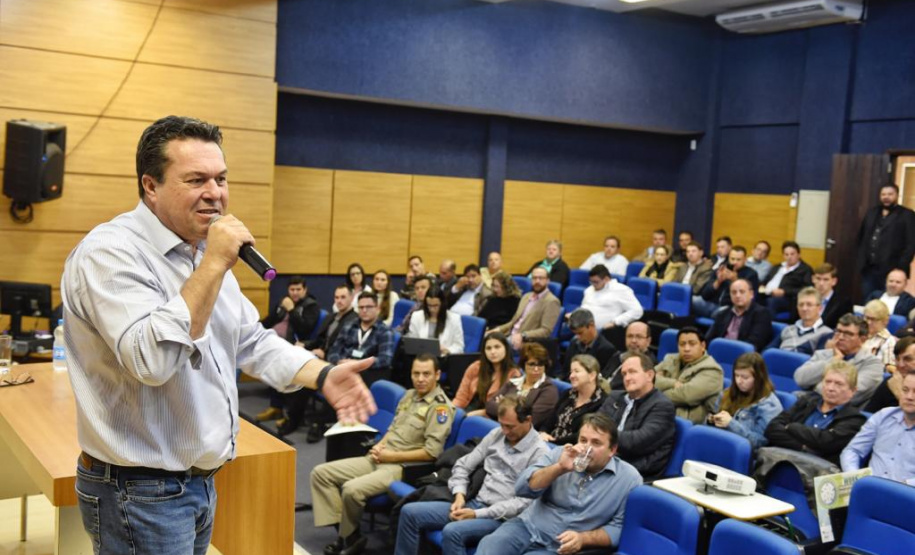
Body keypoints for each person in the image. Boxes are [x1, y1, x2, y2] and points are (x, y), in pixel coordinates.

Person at [62, 116, 376, 554]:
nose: (215, 193)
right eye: (196, 180)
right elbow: (151, 362)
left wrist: (321, 375)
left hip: (198, 484)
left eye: (221, 178)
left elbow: (251, 340)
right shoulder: (111, 253)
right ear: (150, 186)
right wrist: (213, 265)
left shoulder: (203, 251)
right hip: (138, 490)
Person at [312, 354, 454, 555]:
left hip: (401, 467)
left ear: (437, 375)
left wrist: (391, 457)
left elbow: (432, 453)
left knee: (352, 490)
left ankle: (345, 538)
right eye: (416, 373)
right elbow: (393, 429)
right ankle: (349, 535)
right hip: (380, 456)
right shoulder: (409, 395)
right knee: (321, 473)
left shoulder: (440, 408)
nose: (420, 379)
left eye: (426, 374)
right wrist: (380, 446)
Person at [394, 396, 551, 555]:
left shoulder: (539, 452)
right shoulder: (496, 434)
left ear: (528, 420)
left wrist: (476, 514)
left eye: (510, 427)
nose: (505, 431)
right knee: (409, 512)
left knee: (452, 532)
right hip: (474, 503)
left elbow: (523, 502)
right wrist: (459, 495)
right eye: (502, 425)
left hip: (502, 518)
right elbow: (463, 465)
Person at [475, 414, 642, 555]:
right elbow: (522, 488)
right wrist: (559, 468)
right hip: (527, 526)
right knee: (490, 545)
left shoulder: (629, 479)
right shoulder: (560, 454)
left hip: (561, 547)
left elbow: (619, 528)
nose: (587, 448)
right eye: (583, 440)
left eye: (596, 443)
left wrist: (583, 539)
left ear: (612, 450)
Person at [279, 285, 360, 438]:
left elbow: (346, 348)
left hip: (336, 362)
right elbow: (319, 340)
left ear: (351, 298)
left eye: (343, 297)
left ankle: (317, 424)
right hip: (320, 356)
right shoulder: (332, 316)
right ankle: (293, 418)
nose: (339, 301)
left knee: (313, 379)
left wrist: (325, 354)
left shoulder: (355, 320)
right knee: (300, 372)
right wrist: (305, 345)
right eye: (337, 297)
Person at [765, 361, 866, 466]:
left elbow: (826, 443)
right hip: (778, 460)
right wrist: (803, 447)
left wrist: (792, 427)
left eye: (839, 384)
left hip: (815, 470)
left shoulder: (855, 419)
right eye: (827, 382)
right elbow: (772, 428)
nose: (830, 388)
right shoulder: (807, 401)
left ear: (853, 391)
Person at [599, 351, 675, 480]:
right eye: (624, 374)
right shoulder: (615, 397)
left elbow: (636, 442)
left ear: (649, 375)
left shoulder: (662, 406)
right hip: (605, 461)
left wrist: (600, 436)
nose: (627, 378)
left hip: (634, 471)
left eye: (632, 372)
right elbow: (593, 424)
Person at [255, 276, 322, 422]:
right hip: (274, 341)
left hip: (294, 344)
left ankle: (281, 409)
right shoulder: (283, 302)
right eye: (292, 289)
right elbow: (269, 321)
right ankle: (276, 407)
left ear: (305, 290)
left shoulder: (311, 306)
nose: (295, 293)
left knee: (277, 360)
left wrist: (291, 310)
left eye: (298, 289)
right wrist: (255, 328)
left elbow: (304, 329)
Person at [794, 314, 884, 408]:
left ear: (863, 339)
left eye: (848, 334)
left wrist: (815, 385)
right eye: (838, 331)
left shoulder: (872, 364)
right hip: (810, 403)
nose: (840, 337)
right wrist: (833, 360)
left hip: (841, 412)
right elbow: (800, 379)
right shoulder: (824, 354)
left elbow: (849, 393)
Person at [841, 372, 915, 485]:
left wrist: (904, 487)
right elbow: (853, 450)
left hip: (907, 493)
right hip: (870, 488)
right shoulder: (883, 416)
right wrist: (854, 477)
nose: (909, 397)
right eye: (905, 390)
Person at [707, 353, 782, 451]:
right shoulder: (727, 393)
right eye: (736, 375)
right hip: (718, 444)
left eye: (745, 377)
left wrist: (731, 424)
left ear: (758, 378)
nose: (739, 381)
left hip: (742, 452)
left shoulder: (769, 405)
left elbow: (761, 442)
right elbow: (710, 423)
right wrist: (711, 420)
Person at [654, 327, 724, 424]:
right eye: (682, 344)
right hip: (659, 412)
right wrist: (672, 383)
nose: (686, 349)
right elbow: (647, 379)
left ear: (703, 346)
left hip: (685, 423)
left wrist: (654, 393)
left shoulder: (713, 370)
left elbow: (686, 396)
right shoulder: (670, 359)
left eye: (692, 344)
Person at [857, 183, 915, 298]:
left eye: (890, 194)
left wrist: (900, 268)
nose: (886, 197)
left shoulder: (907, 215)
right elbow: (862, 237)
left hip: (892, 270)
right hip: (869, 269)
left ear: (897, 195)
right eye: (883, 194)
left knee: (888, 301)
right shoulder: (872, 212)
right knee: (869, 300)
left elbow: (911, 244)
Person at [328, 292, 396, 385]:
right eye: (361, 307)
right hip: (344, 369)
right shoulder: (349, 326)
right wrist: (339, 361)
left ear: (378, 309)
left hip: (367, 374)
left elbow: (385, 360)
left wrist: (358, 364)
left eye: (369, 307)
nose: (364, 310)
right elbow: (333, 351)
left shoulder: (385, 331)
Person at [486, 343, 559, 430]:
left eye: (540, 364)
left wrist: (502, 404)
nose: (536, 369)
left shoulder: (549, 390)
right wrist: (514, 411)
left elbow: (531, 419)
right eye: (532, 364)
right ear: (524, 364)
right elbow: (489, 405)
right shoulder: (513, 382)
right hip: (499, 425)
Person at [489, 267, 561, 352]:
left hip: (526, 342)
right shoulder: (526, 296)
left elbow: (545, 331)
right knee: (486, 338)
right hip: (509, 335)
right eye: (534, 278)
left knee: (492, 347)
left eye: (541, 278)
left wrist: (523, 335)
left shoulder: (552, 301)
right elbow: (513, 322)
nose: (537, 281)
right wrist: (497, 329)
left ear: (548, 281)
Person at [540, 355, 605, 445]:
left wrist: (553, 442)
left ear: (592, 376)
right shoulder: (568, 394)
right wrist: (543, 432)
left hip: (572, 447)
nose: (571, 376)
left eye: (576, 371)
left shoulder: (601, 401)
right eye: (571, 372)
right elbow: (550, 419)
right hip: (549, 442)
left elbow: (582, 435)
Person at [453, 333, 521, 414]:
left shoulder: (514, 374)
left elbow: (504, 409)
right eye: (488, 348)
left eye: (497, 347)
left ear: (506, 348)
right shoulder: (475, 367)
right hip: (467, 410)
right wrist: (451, 411)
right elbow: (460, 398)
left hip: (490, 416)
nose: (492, 352)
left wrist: (476, 414)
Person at [705, 278, 772, 351]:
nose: (737, 295)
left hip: (743, 355)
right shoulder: (723, 313)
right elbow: (709, 338)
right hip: (719, 351)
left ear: (751, 294)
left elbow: (755, 343)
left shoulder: (761, 314)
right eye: (734, 292)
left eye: (742, 292)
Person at [693, 245, 760, 317]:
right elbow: (705, 295)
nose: (734, 262)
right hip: (711, 303)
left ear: (745, 260)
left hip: (729, 307)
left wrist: (735, 280)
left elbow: (747, 300)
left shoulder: (751, 274)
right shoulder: (721, 269)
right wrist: (718, 281)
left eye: (738, 260)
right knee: (691, 300)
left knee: (721, 313)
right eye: (732, 259)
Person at [579, 264, 643, 331]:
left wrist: (615, 322)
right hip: (582, 327)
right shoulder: (589, 290)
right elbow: (584, 307)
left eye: (596, 282)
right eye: (591, 282)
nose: (593, 285)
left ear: (606, 279)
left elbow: (637, 311)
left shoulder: (621, 290)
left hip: (604, 330)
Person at [762, 241, 813, 320]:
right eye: (786, 254)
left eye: (792, 254)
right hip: (767, 293)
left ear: (798, 255)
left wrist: (785, 292)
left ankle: (768, 325)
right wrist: (761, 286)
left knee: (771, 302)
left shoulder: (805, 270)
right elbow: (766, 280)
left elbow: (807, 289)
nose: (789, 257)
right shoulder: (778, 267)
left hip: (788, 299)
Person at [562, 308, 618, 380]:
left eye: (580, 333)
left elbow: (602, 378)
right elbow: (566, 371)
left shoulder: (606, 349)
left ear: (591, 325)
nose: (578, 337)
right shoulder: (574, 342)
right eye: (575, 334)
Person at [865, 336, 915, 413]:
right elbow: (868, 414)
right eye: (897, 359)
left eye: (908, 359)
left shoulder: (895, 385)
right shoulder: (890, 382)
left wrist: (899, 393)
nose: (901, 365)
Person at [407, 288, 465, 355]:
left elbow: (459, 346)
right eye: (429, 305)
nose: (432, 309)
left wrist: (447, 350)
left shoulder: (454, 319)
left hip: (443, 357)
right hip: (421, 356)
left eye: (435, 305)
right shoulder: (417, 316)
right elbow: (413, 341)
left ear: (442, 304)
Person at [779, 287, 833, 355]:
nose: (804, 308)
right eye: (801, 305)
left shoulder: (826, 333)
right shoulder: (788, 329)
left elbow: (818, 359)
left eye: (809, 305)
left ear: (820, 308)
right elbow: (769, 351)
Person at [604, 321, 656, 391]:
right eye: (630, 336)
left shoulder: (649, 364)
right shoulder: (618, 355)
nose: (633, 340)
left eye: (639, 337)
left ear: (648, 341)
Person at [813, 263, 852, 329]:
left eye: (826, 279)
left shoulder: (843, 303)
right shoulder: (805, 299)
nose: (821, 283)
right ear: (813, 279)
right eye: (818, 279)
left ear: (834, 281)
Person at [862, 299, 897, 368]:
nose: (868, 322)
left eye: (873, 319)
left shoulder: (888, 341)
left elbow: (890, 368)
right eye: (867, 318)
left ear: (885, 321)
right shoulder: (856, 333)